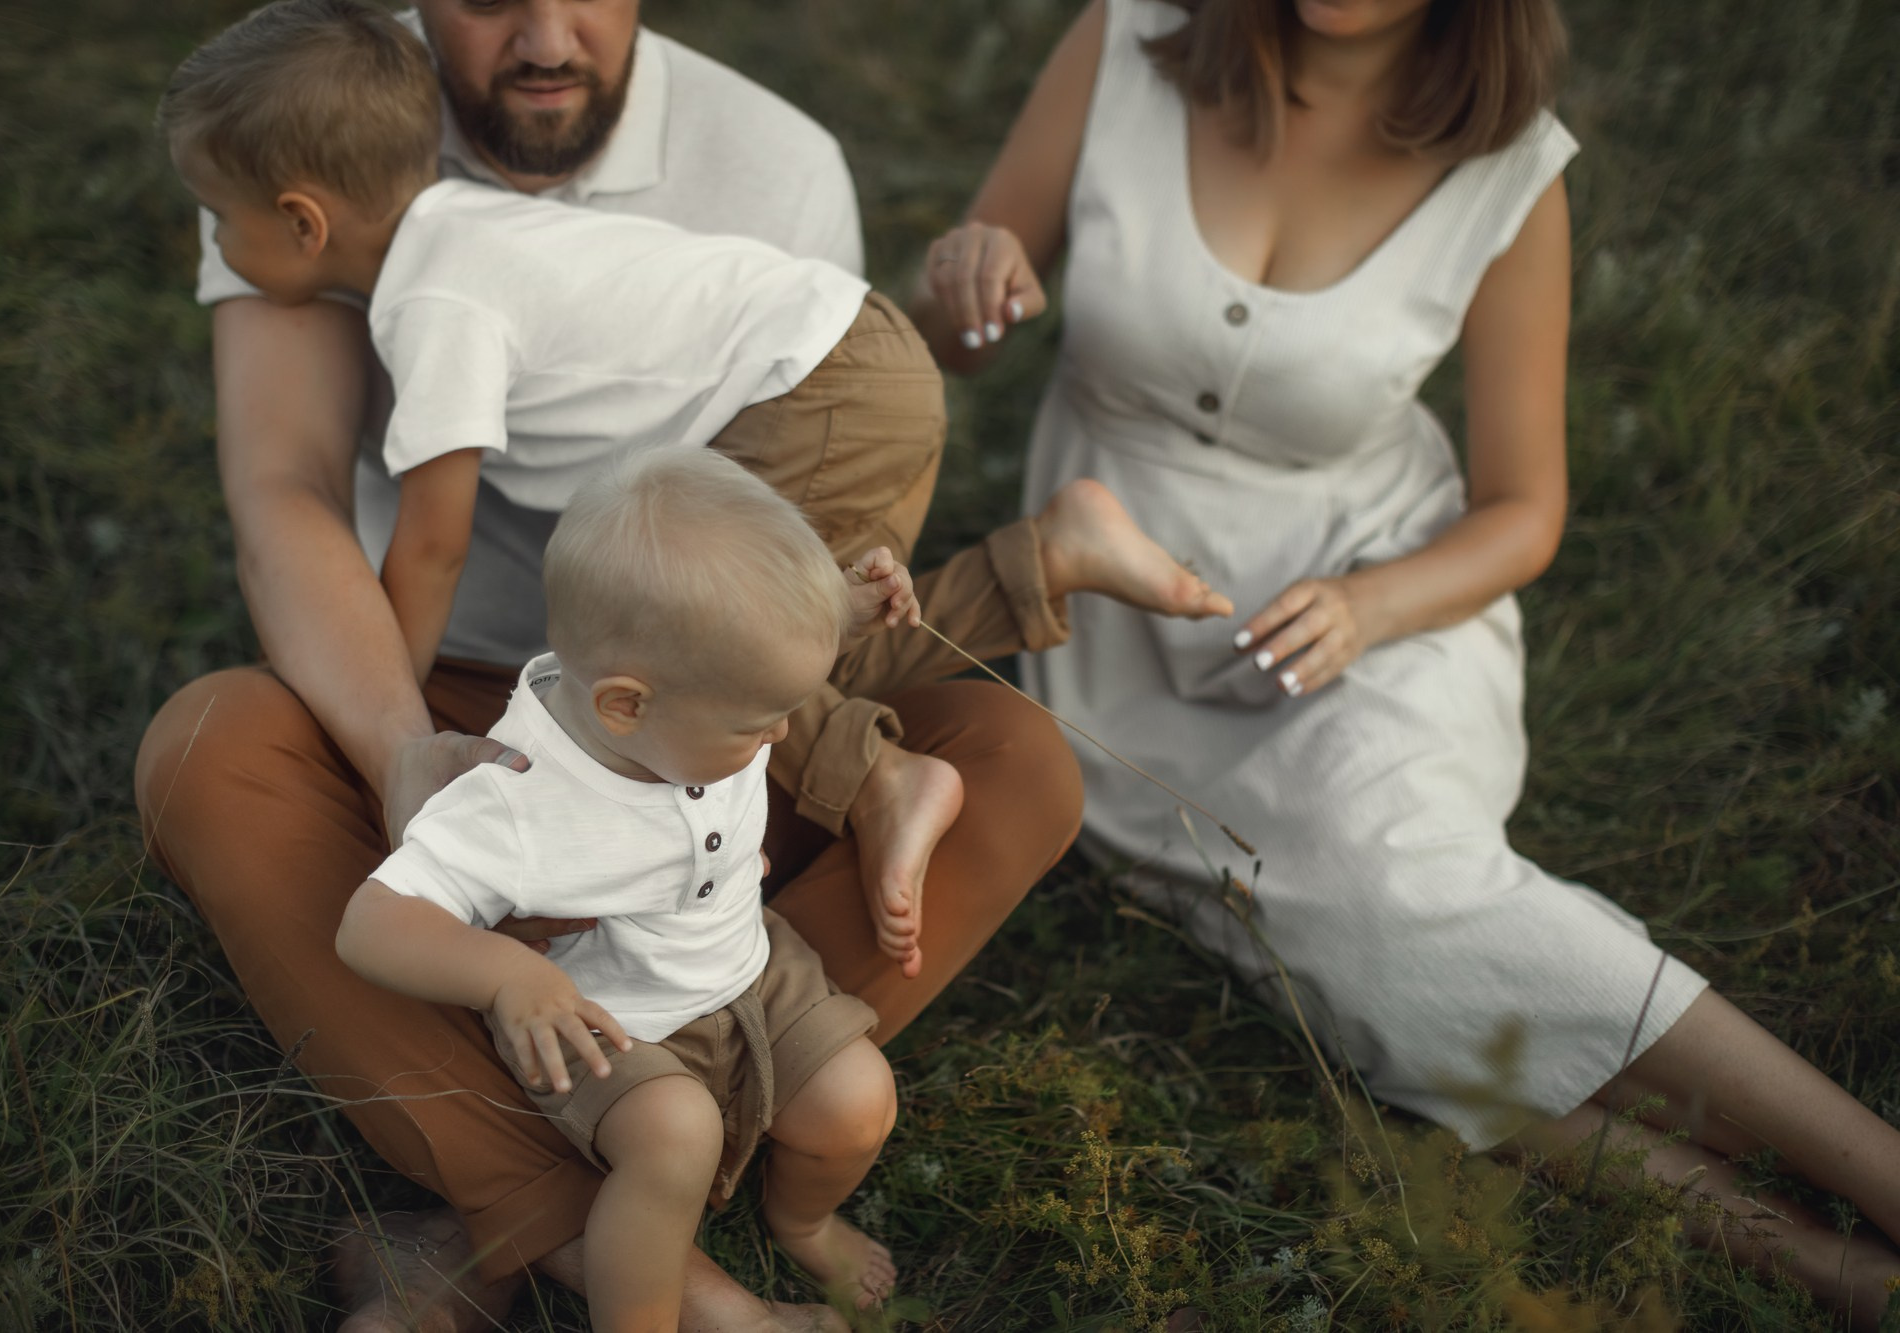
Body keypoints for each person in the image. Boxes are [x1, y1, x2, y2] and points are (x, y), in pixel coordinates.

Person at [133, 0, 1208, 1326]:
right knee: (214, 746)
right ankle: (641, 1239)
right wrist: (399, 747)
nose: (542, 34)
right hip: (464, 694)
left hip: (697, 719)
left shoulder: (774, 161)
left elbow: (764, 584)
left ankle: (529, 1196)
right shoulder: (300, 121)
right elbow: (289, 493)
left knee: (1018, 762)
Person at [909, 0, 1900, 1322]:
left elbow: (1523, 509)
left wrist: (1375, 607)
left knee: (1391, 881)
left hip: (1377, 601)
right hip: (1125, 637)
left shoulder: (1507, 170)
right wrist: (965, 289)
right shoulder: (1130, 40)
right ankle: (1796, 1251)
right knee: (1339, 959)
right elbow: (957, 331)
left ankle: (1874, 1183)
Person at [338, 449, 920, 1324]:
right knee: (675, 1140)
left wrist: (847, 608)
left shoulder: (691, 694)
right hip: (617, 1021)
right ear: (624, 706)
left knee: (860, 1099)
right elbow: (370, 924)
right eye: (757, 723)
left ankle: (802, 1218)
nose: (784, 731)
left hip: (748, 967)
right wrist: (509, 975)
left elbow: (753, 648)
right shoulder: (522, 794)